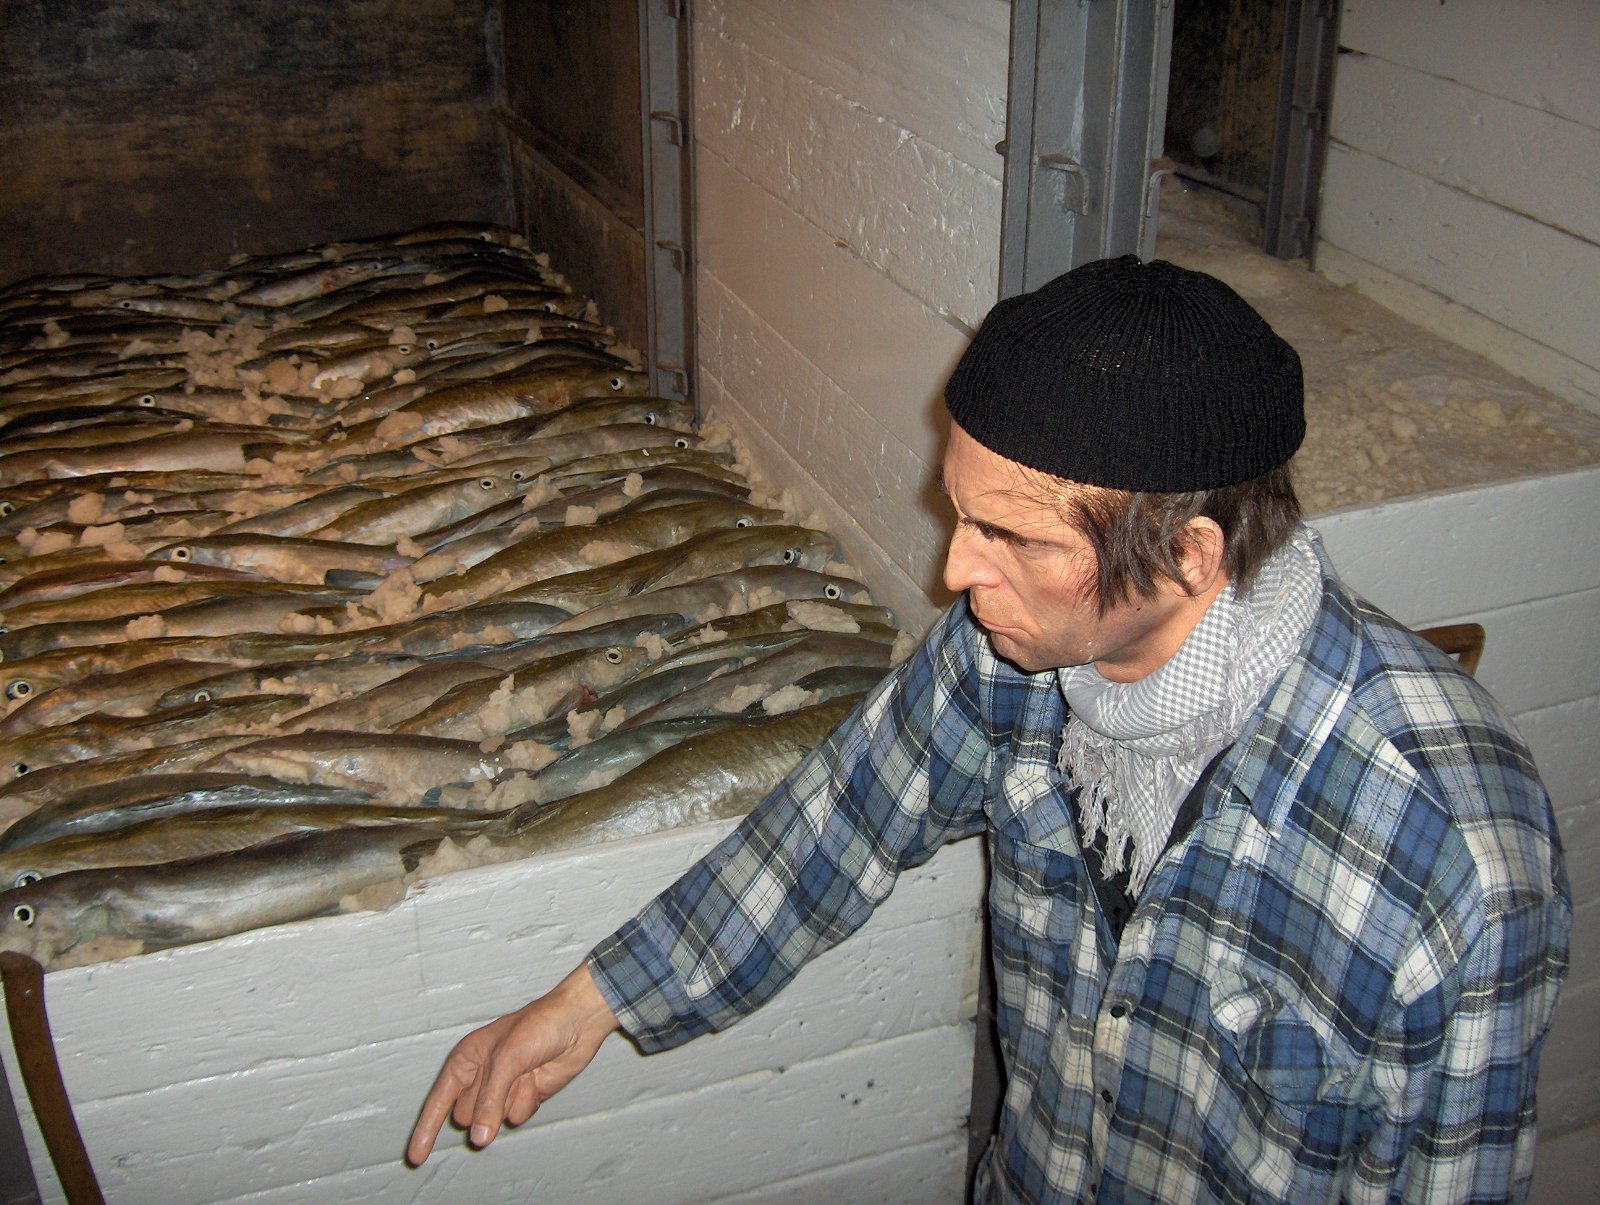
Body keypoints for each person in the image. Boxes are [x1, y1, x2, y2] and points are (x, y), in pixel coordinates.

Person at [407, 256, 1570, 1202]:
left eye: (1012, 536)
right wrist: (588, 1001)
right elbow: (833, 826)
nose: (955, 569)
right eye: (961, 514)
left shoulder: (1448, 858)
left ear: (1189, 555)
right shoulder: (1009, 657)